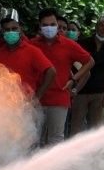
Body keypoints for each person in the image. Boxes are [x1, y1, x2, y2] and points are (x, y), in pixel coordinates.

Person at [31, 8, 94, 146]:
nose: (49, 28)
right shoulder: (32, 45)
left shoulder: (68, 44)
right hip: (37, 99)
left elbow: (89, 62)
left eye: (53, 24)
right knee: (35, 140)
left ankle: (54, 168)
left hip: (59, 99)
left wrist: (74, 79)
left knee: (55, 140)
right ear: (40, 26)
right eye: (45, 25)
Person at [0, 15, 56, 103]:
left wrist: (37, 97)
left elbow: (51, 71)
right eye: (7, 30)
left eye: (14, 29)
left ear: (20, 30)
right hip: (3, 105)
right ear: (2, 32)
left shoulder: (32, 51)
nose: (11, 32)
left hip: (26, 104)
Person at [72, 12, 104, 135]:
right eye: (101, 25)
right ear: (96, 26)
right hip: (81, 92)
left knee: (96, 130)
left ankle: (94, 154)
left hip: (99, 93)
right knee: (76, 127)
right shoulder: (83, 43)